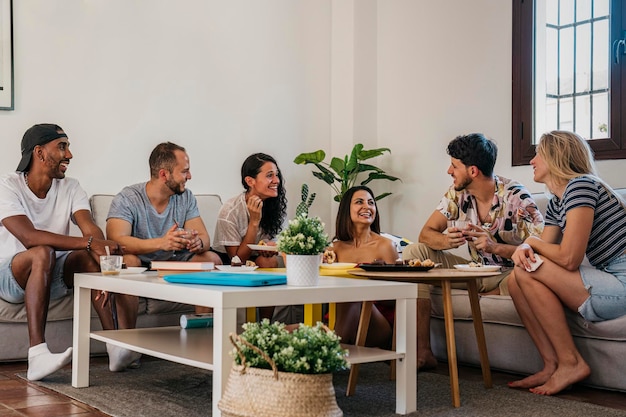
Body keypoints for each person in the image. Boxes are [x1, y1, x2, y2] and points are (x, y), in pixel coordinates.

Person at [0, 124, 138, 380]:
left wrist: (102, 263)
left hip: (50, 273)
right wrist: (87, 244)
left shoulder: (71, 187)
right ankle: (37, 355)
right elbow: (29, 237)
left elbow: (90, 229)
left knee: (87, 258)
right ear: (39, 153)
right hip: (11, 275)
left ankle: (114, 346)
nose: (70, 155)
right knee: (42, 252)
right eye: (62, 146)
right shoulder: (8, 185)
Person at [402, 133, 544, 371]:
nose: (449, 171)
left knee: (527, 277)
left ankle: (496, 291)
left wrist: (494, 246)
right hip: (473, 272)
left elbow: (541, 250)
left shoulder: (517, 198)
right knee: (414, 252)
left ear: (473, 171)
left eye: (454, 165)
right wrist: (446, 241)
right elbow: (425, 233)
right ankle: (423, 351)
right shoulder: (458, 193)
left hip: (509, 275)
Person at [508, 131, 626, 395]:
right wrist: (530, 246)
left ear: (555, 156)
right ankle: (551, 364)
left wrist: (530, 243)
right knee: (517, 278)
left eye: (538, 153)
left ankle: (571, 363)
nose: (532, 161)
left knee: (527, 271)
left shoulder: (581, 186)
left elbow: (569, 259)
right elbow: (546, 251)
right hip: (608, 276)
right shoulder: (556, 202)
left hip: (622, 283)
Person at [106, 142, 222, 315]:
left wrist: (197, 242)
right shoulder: (127, 198)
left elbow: (205, 238)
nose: (189, 176)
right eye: (184, 171)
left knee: (210, 258)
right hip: (141, 264)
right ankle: (122, 338)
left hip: (176, 264)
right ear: (164, 174)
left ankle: (202, 330)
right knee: (129, 261)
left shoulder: (186, 197)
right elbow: (117, 241)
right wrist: (161, 243)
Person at [212, 153, 290, 320]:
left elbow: (281, 242)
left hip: (260, 260)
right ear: (250, 181)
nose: (276, 180)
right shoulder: (230, 211)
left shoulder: (276, 206)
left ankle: (266, 326)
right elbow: (236, 260)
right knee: (259, 262)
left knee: (267, 261)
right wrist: (254, 222)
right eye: (270, 175)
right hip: (230, 262)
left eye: (277, 175)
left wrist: (273, 248)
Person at [330, 186, 399, 348]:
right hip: (340, 318)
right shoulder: (335, 249)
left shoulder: (385, 246)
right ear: (347, 209)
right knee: (291, 331)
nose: (367, 207)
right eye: (359, 202)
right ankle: (331, 343)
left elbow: (395, 298)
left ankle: (331, 348)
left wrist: (374, 278)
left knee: (352, 295)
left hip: (377, 322)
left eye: (371, 203)